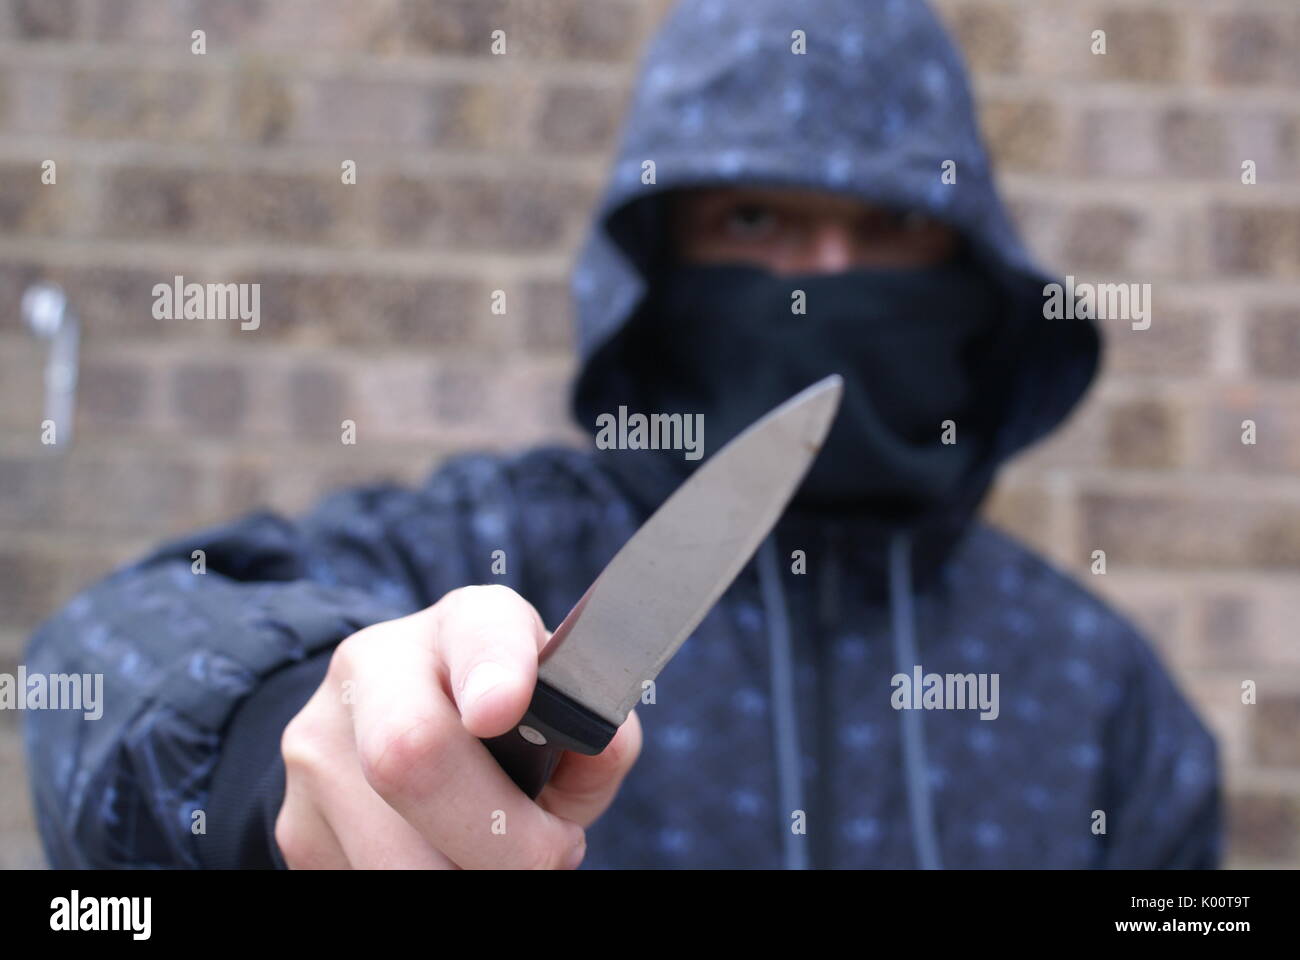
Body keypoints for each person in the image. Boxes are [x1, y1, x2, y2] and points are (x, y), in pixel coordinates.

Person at [23, 0, 1220, 869]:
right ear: (663, 260)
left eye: (889, 227)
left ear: (966, 270)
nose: (824, 281)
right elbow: (111, 653)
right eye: (757, 218)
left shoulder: (1100, 692)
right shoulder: (482, 554)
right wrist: (277, 753)